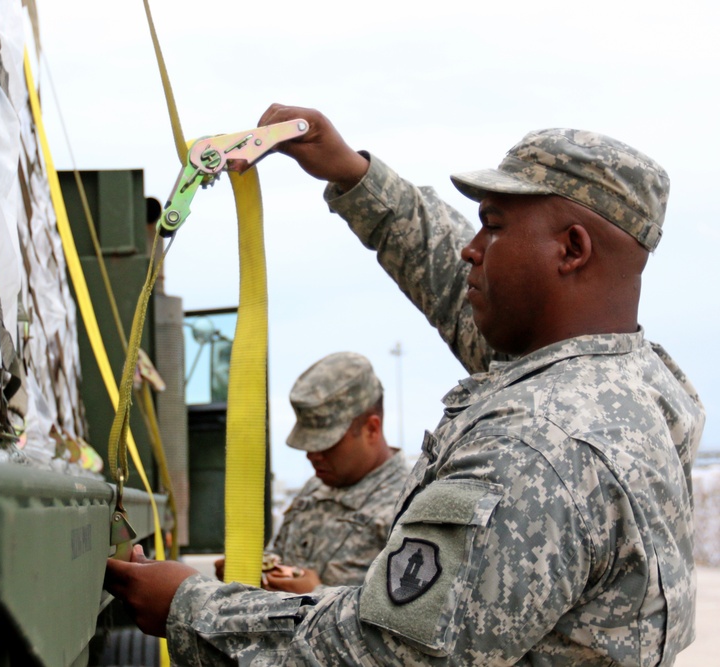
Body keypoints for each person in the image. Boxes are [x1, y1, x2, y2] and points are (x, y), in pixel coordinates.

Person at [104, 106, 706, 666]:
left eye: (492, 226)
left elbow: (387, 647)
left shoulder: (537, 448)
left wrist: (190, 607)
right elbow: (451, 274)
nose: (471, 249)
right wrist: (353, 174)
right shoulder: (626, 381)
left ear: (571, 249)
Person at [215, 351, 407, 594]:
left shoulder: (409, 508)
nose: (312, 455)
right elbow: (281, 559)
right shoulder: (315, 488)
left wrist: (316, 595)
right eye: (309, 443)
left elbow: (405, 623)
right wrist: (250, 570)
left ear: (371, 429)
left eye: (325, 443)